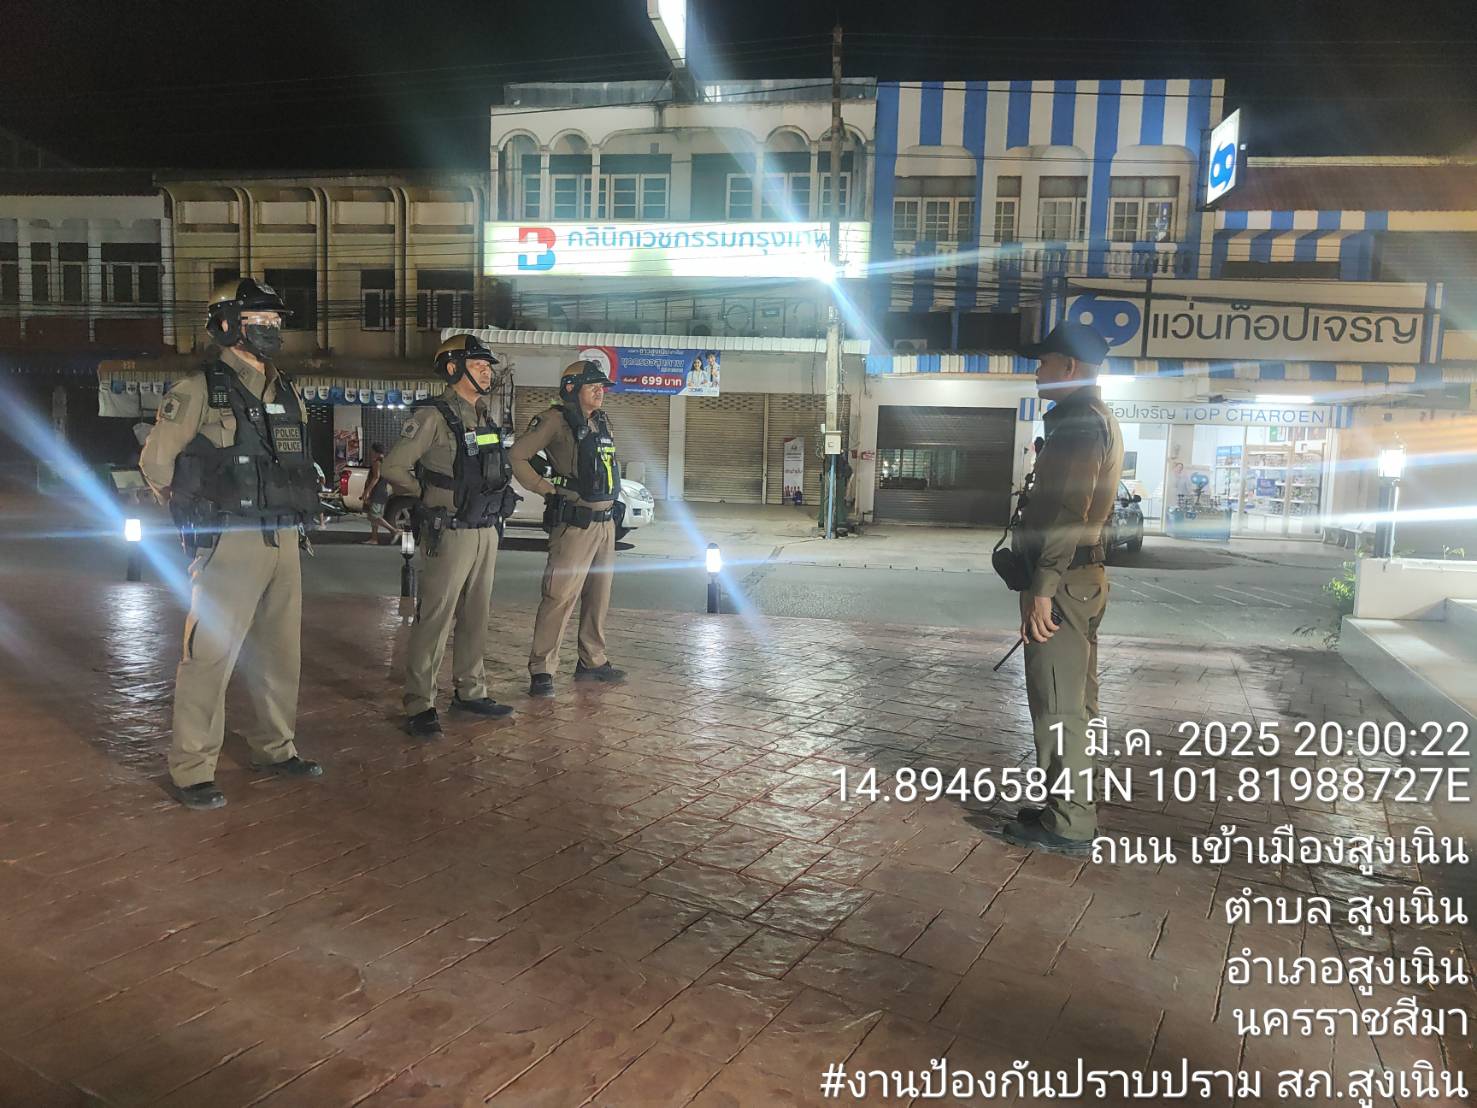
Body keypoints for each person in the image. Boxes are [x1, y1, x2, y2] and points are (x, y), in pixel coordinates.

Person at [140, 278, 324, 810]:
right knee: (210, 655)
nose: (272, 329)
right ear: (226, 325)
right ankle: (192, 768)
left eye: (275, 320)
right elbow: (156, 463)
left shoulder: (286, 390)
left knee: (280, 654)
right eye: (258, 320)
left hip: (283, 535)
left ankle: (276, 747)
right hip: (229, 539)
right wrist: (194, 513)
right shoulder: (199, 390)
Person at [1002, 321, 1123, 854]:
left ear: (1068, 367)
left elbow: (1070, 510)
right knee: (1075, 703)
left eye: (1043, 362)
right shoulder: (1093, 417)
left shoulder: (1078, 423)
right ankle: (1070, 805)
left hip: (1065, 582)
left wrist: (1043, 588)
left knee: (1056, 705)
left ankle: (1069, 823)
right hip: (1081, 581)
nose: (1037, 371)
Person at [381, 335, 517, 739]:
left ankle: (470, 691)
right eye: (478, 366)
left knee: (476, 616)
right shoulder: (433, 416)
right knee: (435, 618)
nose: (487, 373)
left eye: (487, 367)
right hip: (451, 531)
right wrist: (427, 495)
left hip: (485, 529)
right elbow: (393, 467)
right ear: (453, 368)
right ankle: (419, 703)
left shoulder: (484, 415)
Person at [509, 359, 627, 697]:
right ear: (572, 389)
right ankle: (542, 669)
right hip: (574, 523)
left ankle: (592, 660)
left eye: (601, 386)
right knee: (559, 596)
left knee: (598, 597)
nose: (600, 391)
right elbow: (517, 456)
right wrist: (545, 489)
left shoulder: (602, 420)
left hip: (605, 523)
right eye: (593, 386)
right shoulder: (554, 420)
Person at [360, 442, 397, 545]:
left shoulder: (377, 462)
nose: (370, 453)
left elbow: (376, 477)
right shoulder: (386, 462)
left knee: (374, 516)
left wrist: (367, 491)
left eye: (371, 451)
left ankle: (394, 530)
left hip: (377, 492)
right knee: (375, 516)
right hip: (382, 491)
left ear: (375, 451)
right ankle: (374, 538)